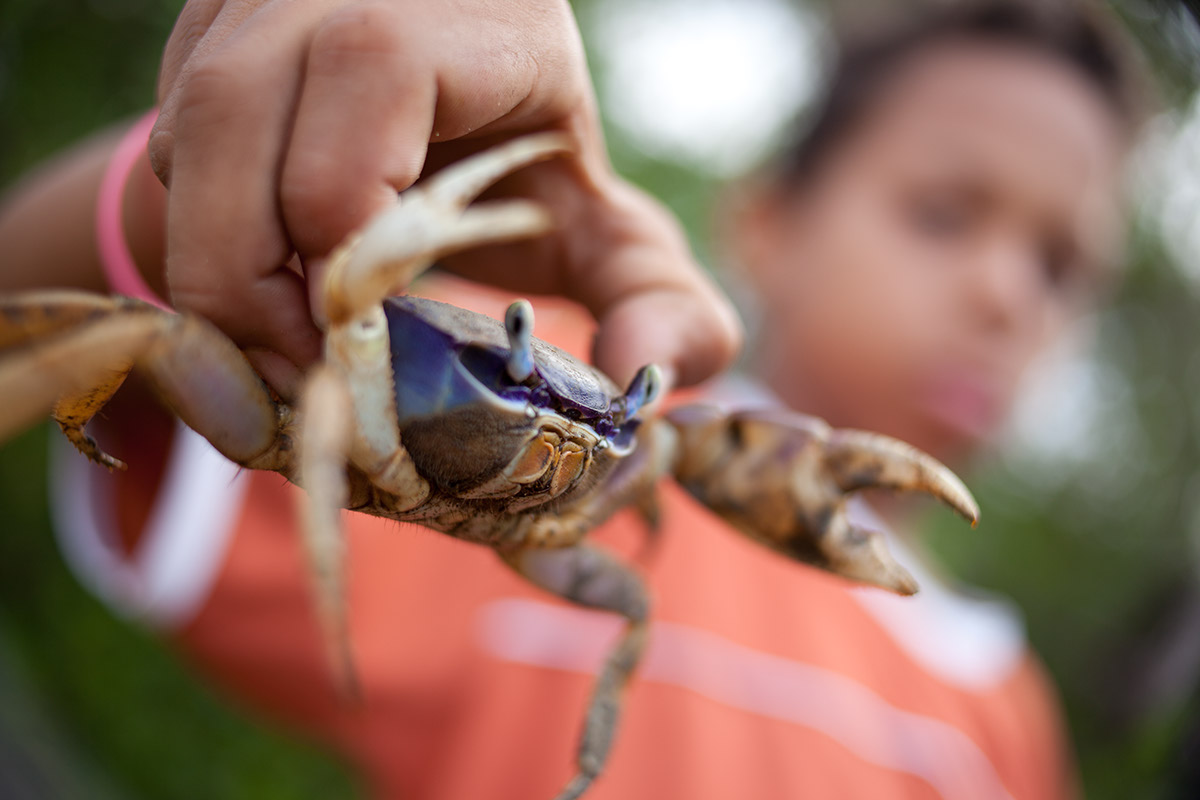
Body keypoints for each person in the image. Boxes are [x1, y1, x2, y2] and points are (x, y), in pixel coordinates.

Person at [0, 0, 1144, 798]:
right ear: (766, 225)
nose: (1004, 294)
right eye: (944, 213)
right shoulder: (498, 335)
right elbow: (103, 307)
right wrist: (236, 179)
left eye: (1061, 268)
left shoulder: (1004, 724)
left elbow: (642, 461)